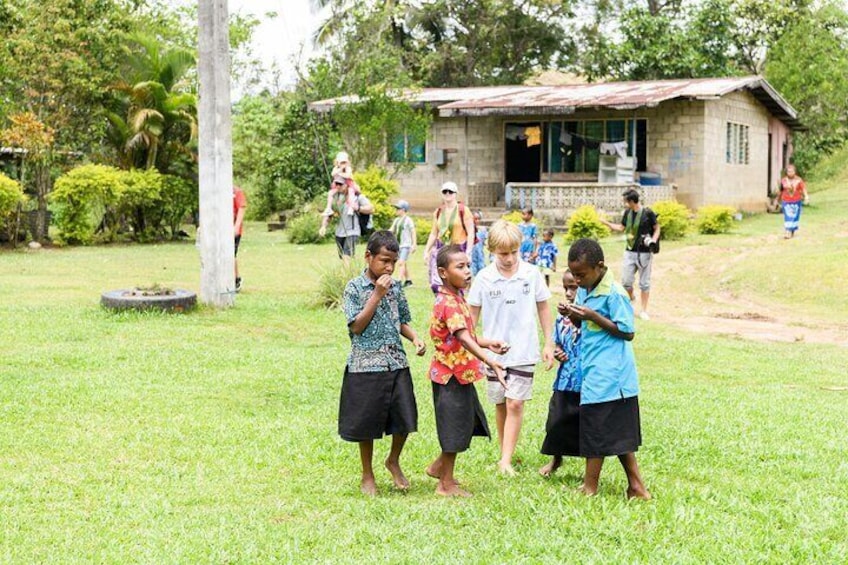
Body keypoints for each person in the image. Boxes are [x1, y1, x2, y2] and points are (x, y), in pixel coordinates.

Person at [339, 231, 427, 496]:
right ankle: (367, 474)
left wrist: (415, 338)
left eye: (393, 261)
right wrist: (376, 294)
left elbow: (401, 320)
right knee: (366, 423)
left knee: (405, 417)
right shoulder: (355, 288)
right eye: (384, 260)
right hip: (365, 365)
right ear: (368, 257)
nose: (389, 267)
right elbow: (356, 326)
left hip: (396, 361)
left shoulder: (396, 287)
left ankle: (393, 460)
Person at [564, 238, 650, 500]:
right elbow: (583, 328)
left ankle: (589, 488)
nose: (577, 281)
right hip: (593, 370)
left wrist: (592, 316)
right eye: (574, 275)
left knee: (595, 430)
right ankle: (636, 486)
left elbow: (627, 331)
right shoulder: (585, 289)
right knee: (617, 433)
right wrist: (573, 315)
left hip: (612, 374)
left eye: (581, 274)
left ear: (599, 266)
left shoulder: (614, 293)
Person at [468, 220, 555, 476]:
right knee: (501, 403)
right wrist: (475, 350)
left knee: (515, 403)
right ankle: (506, 452)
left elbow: (543, 307)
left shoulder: (531, 273)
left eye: (514, 252)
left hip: (524, 350)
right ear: (492, 251)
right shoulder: (484, 278)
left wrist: (548, 342)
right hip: (493, 354)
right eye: (503, 253)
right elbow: (470, 321)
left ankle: (505, 460)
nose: (508, 258)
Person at [426, 244, 509, 497]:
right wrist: (491, 360)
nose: (467, 271)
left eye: (468, 265)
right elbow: (462, 337)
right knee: (454, 428)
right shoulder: (448, 302)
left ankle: (439, 467)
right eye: (460, 267)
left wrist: (487, 342)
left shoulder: (457, 297)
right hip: (450, 376)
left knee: (466, 422)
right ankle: (445, 484)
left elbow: (465, 334)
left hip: (461, 375)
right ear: (443, 272)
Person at [539, 269, 582, 477]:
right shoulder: (561, 316)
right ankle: (556, 459)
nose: (568, 293)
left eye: (573, 287)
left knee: (585, 424)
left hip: (585, 379)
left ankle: (590, 467)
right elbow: (557, 341)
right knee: (556, 421)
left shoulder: (589, 314)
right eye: (566, 287)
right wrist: (557, 351)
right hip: (565, 379)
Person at [601, 188, 660, 320]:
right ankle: (631, 297)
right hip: (629, 251)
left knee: (644, 283)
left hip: (644, 253)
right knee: (626, 282)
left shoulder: (647, 213)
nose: (624, 203)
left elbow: (657, 228)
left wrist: (653, 240)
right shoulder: (627, 213)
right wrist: (606, 223)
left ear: (632, 201)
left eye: (625, 201)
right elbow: (621, 228)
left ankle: (644, 310)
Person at [423, 181, 476, 293]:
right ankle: (442, 303)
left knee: (457, 282)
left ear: (455, 193)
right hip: (442, 248)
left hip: (458, 248)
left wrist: (468, 252)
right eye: (445, 191)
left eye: (450, 191)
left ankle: (458, 305)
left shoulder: (463, 210)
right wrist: (426, 250)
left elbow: (471, 233)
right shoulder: (438, 212)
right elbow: (434, 233)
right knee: (437, 282)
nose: (448, 194)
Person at [319, 175, 374, 261]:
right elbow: (329, 213)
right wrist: (323, 226)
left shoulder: (356, 196)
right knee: (343, 257)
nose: (338, 186)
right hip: (339, 232)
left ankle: (347, 274)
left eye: (340, 184)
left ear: (347, 184)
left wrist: (358, 208)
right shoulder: (336, 197)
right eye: (336, 184)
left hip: (352, 231)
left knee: (347, 257)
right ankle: (350, 272)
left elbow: (371, 209)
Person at [321, 151, 359, 218]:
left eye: (344, 162)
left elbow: (347, 176)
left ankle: (351, 207)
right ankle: (328, 208)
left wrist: (340, 173)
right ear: (337, 163)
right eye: (341, 162)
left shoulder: (348, 169)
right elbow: (332, 174)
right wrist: (340, 169)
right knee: (330, 193)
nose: (343, 164)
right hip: (338, 185)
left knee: (351, 192)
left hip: (348, 185)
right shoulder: (336, 168)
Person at [389, 200, 416, 287]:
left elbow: (413, 232)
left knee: (401, 262)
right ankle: (408, 280)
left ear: (403, 210)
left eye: (398, 208)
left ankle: (399, 281)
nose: (396, 210)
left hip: (406, 245)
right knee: (403, 263)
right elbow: (392, 230)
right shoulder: (396, 220)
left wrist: (414, 244)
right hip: (398, 245)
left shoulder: (408, 220)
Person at [779, 164, 808, 239]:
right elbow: (781, 191)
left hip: (796, 201)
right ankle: (787, 231)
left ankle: (792, 230)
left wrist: (806, 196)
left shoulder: (799, 180)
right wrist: (777, 200)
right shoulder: (783, 180)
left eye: (791, 171)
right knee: (788, 216)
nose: (790, 173)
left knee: (794, 217)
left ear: (794, 172)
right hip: (786, 201)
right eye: (788, 171)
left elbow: (803, 188)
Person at [233, 185, 247, 292]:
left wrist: (237, 226)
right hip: (220, 230)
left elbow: (242, 208)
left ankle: (236, 280)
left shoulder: (236, 191)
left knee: (231, 254)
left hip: (232, 229)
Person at [470, 210, 488, 277]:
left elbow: (486, 242)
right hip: (472, 255)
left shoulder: (483, 230)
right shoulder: (469, 230)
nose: (477, 221)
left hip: (480, 255)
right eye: (475, 219)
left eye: (478, 219)